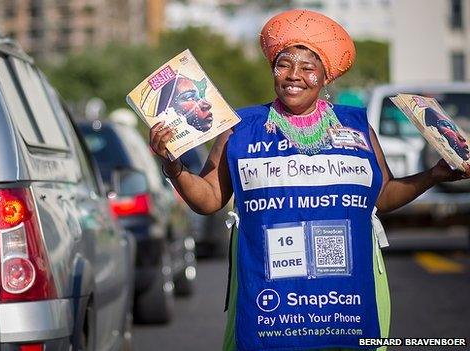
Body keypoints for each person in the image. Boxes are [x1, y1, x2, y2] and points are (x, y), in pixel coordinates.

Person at [148, 9, 468, 351]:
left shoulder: (357, 125)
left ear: (325, 77)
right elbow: (210, 197)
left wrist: (433, 175)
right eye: (283, 65)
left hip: (346, 297)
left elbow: (382, 196)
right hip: (270, 302)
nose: (293, 75)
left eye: (307, 67)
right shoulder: (239, 127)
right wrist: (175, 167)